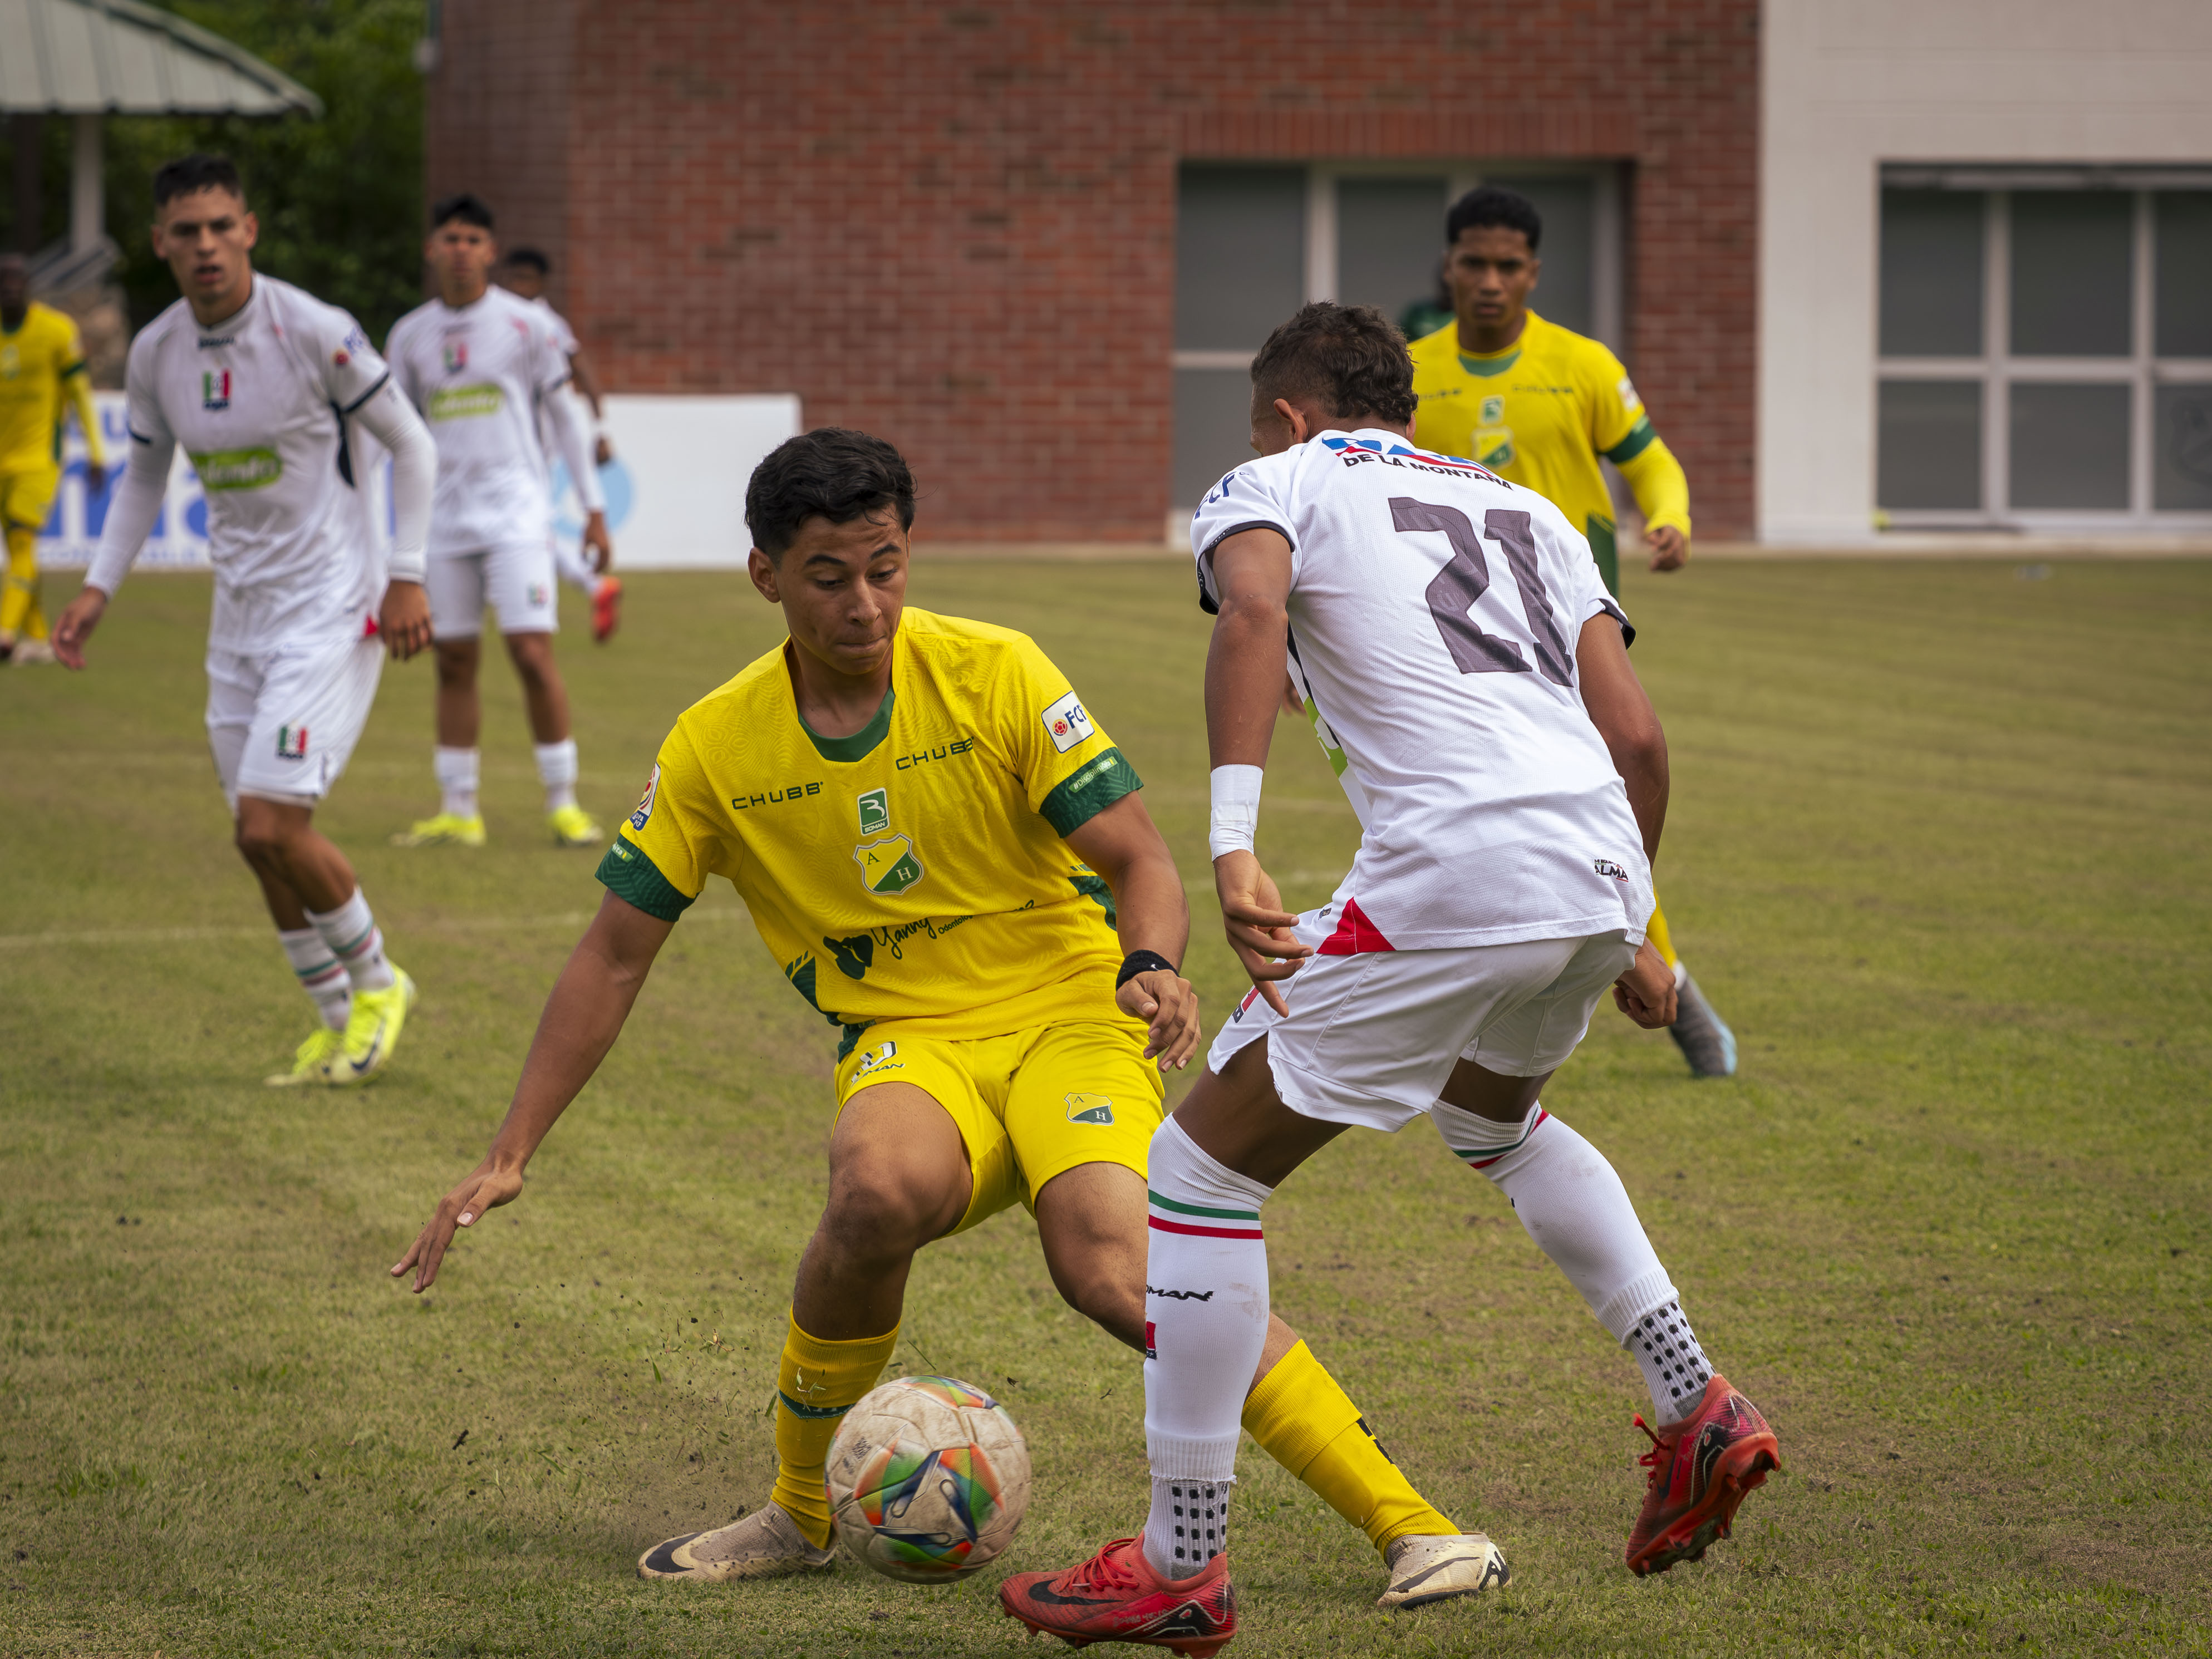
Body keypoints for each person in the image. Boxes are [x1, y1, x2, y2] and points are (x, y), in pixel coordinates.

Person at [392, 427, 1504, 1609]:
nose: (864, 602)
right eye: (829, 576)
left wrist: (1151, 962)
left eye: (886, 566)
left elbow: (1138, 855)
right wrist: (510, 1150)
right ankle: (799, 1507)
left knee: (1114, 1265)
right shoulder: (716, 744)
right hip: (907, 1038)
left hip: (1070, 1012)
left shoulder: (997, 671)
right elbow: (614, 952)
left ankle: (1416, 1525)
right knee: (870, 1191)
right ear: (766, 575)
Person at [1003, 305, 1779, 1653]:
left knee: (1191, 1176)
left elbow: (1248, 606)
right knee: (1491, 1120)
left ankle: (1182, 1555)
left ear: (1291, 417)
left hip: (1454, 872)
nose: (1245, 446)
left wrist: (1233, 843)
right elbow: (1637, 736)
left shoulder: (1278, 480)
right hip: (1593, 861)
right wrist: (1634, 929)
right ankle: (1692, 1395)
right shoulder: (1532, 507)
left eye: (1254, 424)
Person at [52, 153, 436, 1086]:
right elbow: (144, 474)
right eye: (186, 232)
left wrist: (406, 575)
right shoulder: (155, 353)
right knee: (252, 841)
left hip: (332, 609)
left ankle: (382, 985)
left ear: (249, 230)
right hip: (239, 624)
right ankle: (335, 1022)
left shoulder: (313, 331)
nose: (206, 246)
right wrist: (101, 586)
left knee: (271, 825)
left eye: (222, 226)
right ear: (160, 245)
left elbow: (412, 445)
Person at [1407, 185, 1737, 1078]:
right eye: (1473, 263)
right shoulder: (1406, 374)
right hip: (1455, 639)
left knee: (1600, 791)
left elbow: (1650, 459)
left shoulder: (1582, 365)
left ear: (1533, 273)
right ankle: (1576, 982)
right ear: (1448, 267)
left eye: (1507, 266)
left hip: (1576, 625)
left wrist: (1672, 516)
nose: (1489, 281)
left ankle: (1658, 977)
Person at [385, 194, 610, 851]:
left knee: (531, 652)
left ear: (490, 251)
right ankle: (459, 810)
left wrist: (593, 511)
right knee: (452, 658)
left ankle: (563, 802)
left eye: (472, 239)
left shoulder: (526, 326)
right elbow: (393, 435)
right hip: (443, 522)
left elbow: (566, 417)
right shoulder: (408, 336)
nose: (460, 249)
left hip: (516, 514)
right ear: (432, 250)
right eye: (449, 238)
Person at [495, 247, 622, 644]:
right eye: (513, 278)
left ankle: (591, 585)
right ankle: (592, 586)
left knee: (529, 520)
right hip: (507, 436)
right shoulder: (500, 320)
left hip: (538, 437)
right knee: (527, 520)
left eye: (526, 279)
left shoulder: (548, 324)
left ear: (540, 284)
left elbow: (583, 371)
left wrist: (600, 429)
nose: (518, 286)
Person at [0, 252, 106, 666]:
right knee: (18, 549)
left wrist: (97, 449)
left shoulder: (56, 331)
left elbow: (79, 393)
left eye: (16, 279)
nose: (10, 287)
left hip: (39, 460)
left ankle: (5, 633)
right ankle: (40, 639)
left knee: (23, 541)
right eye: (3, 280)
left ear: (29, 285)